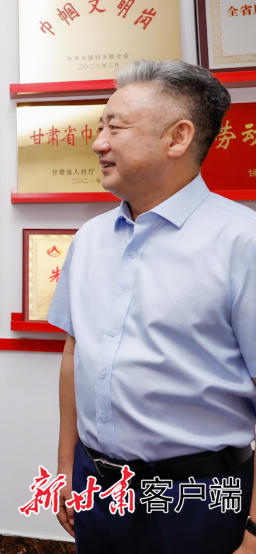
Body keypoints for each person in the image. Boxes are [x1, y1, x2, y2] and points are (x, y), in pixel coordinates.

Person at [48, 60, 256, 554]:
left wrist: (253, 531)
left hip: (201, 495)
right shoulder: (90, 237)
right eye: (100, 127)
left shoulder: (242, 242)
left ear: (177, 138)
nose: (98, 143)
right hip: (101, 486)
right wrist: (65, 467)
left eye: (115, 128)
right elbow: (75, 356)